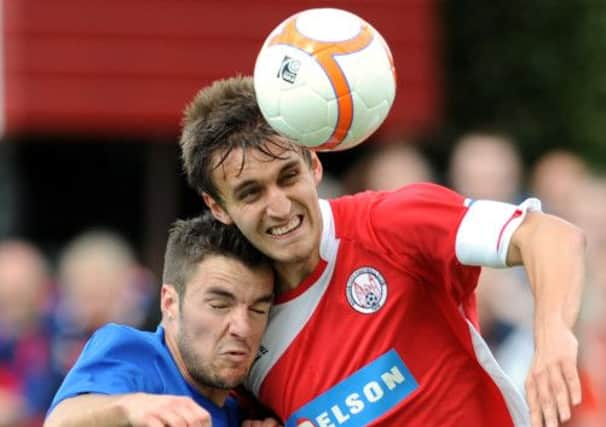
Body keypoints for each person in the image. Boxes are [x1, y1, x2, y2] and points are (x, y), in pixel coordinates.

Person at [179, 75, 585, 427]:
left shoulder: (390, 223)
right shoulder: (238, 325)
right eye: (251, 193)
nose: (281, 207)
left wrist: (552, 337)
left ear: (314, 165)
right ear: (217, 207)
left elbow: (548, 236)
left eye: (288, 176)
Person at [44, 213, 277, 427]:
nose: (242, 328)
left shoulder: (244, 411)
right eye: (219, 305)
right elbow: (60, 421)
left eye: (258, 310)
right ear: (170, 303)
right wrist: (130, 407)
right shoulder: (134, 353)